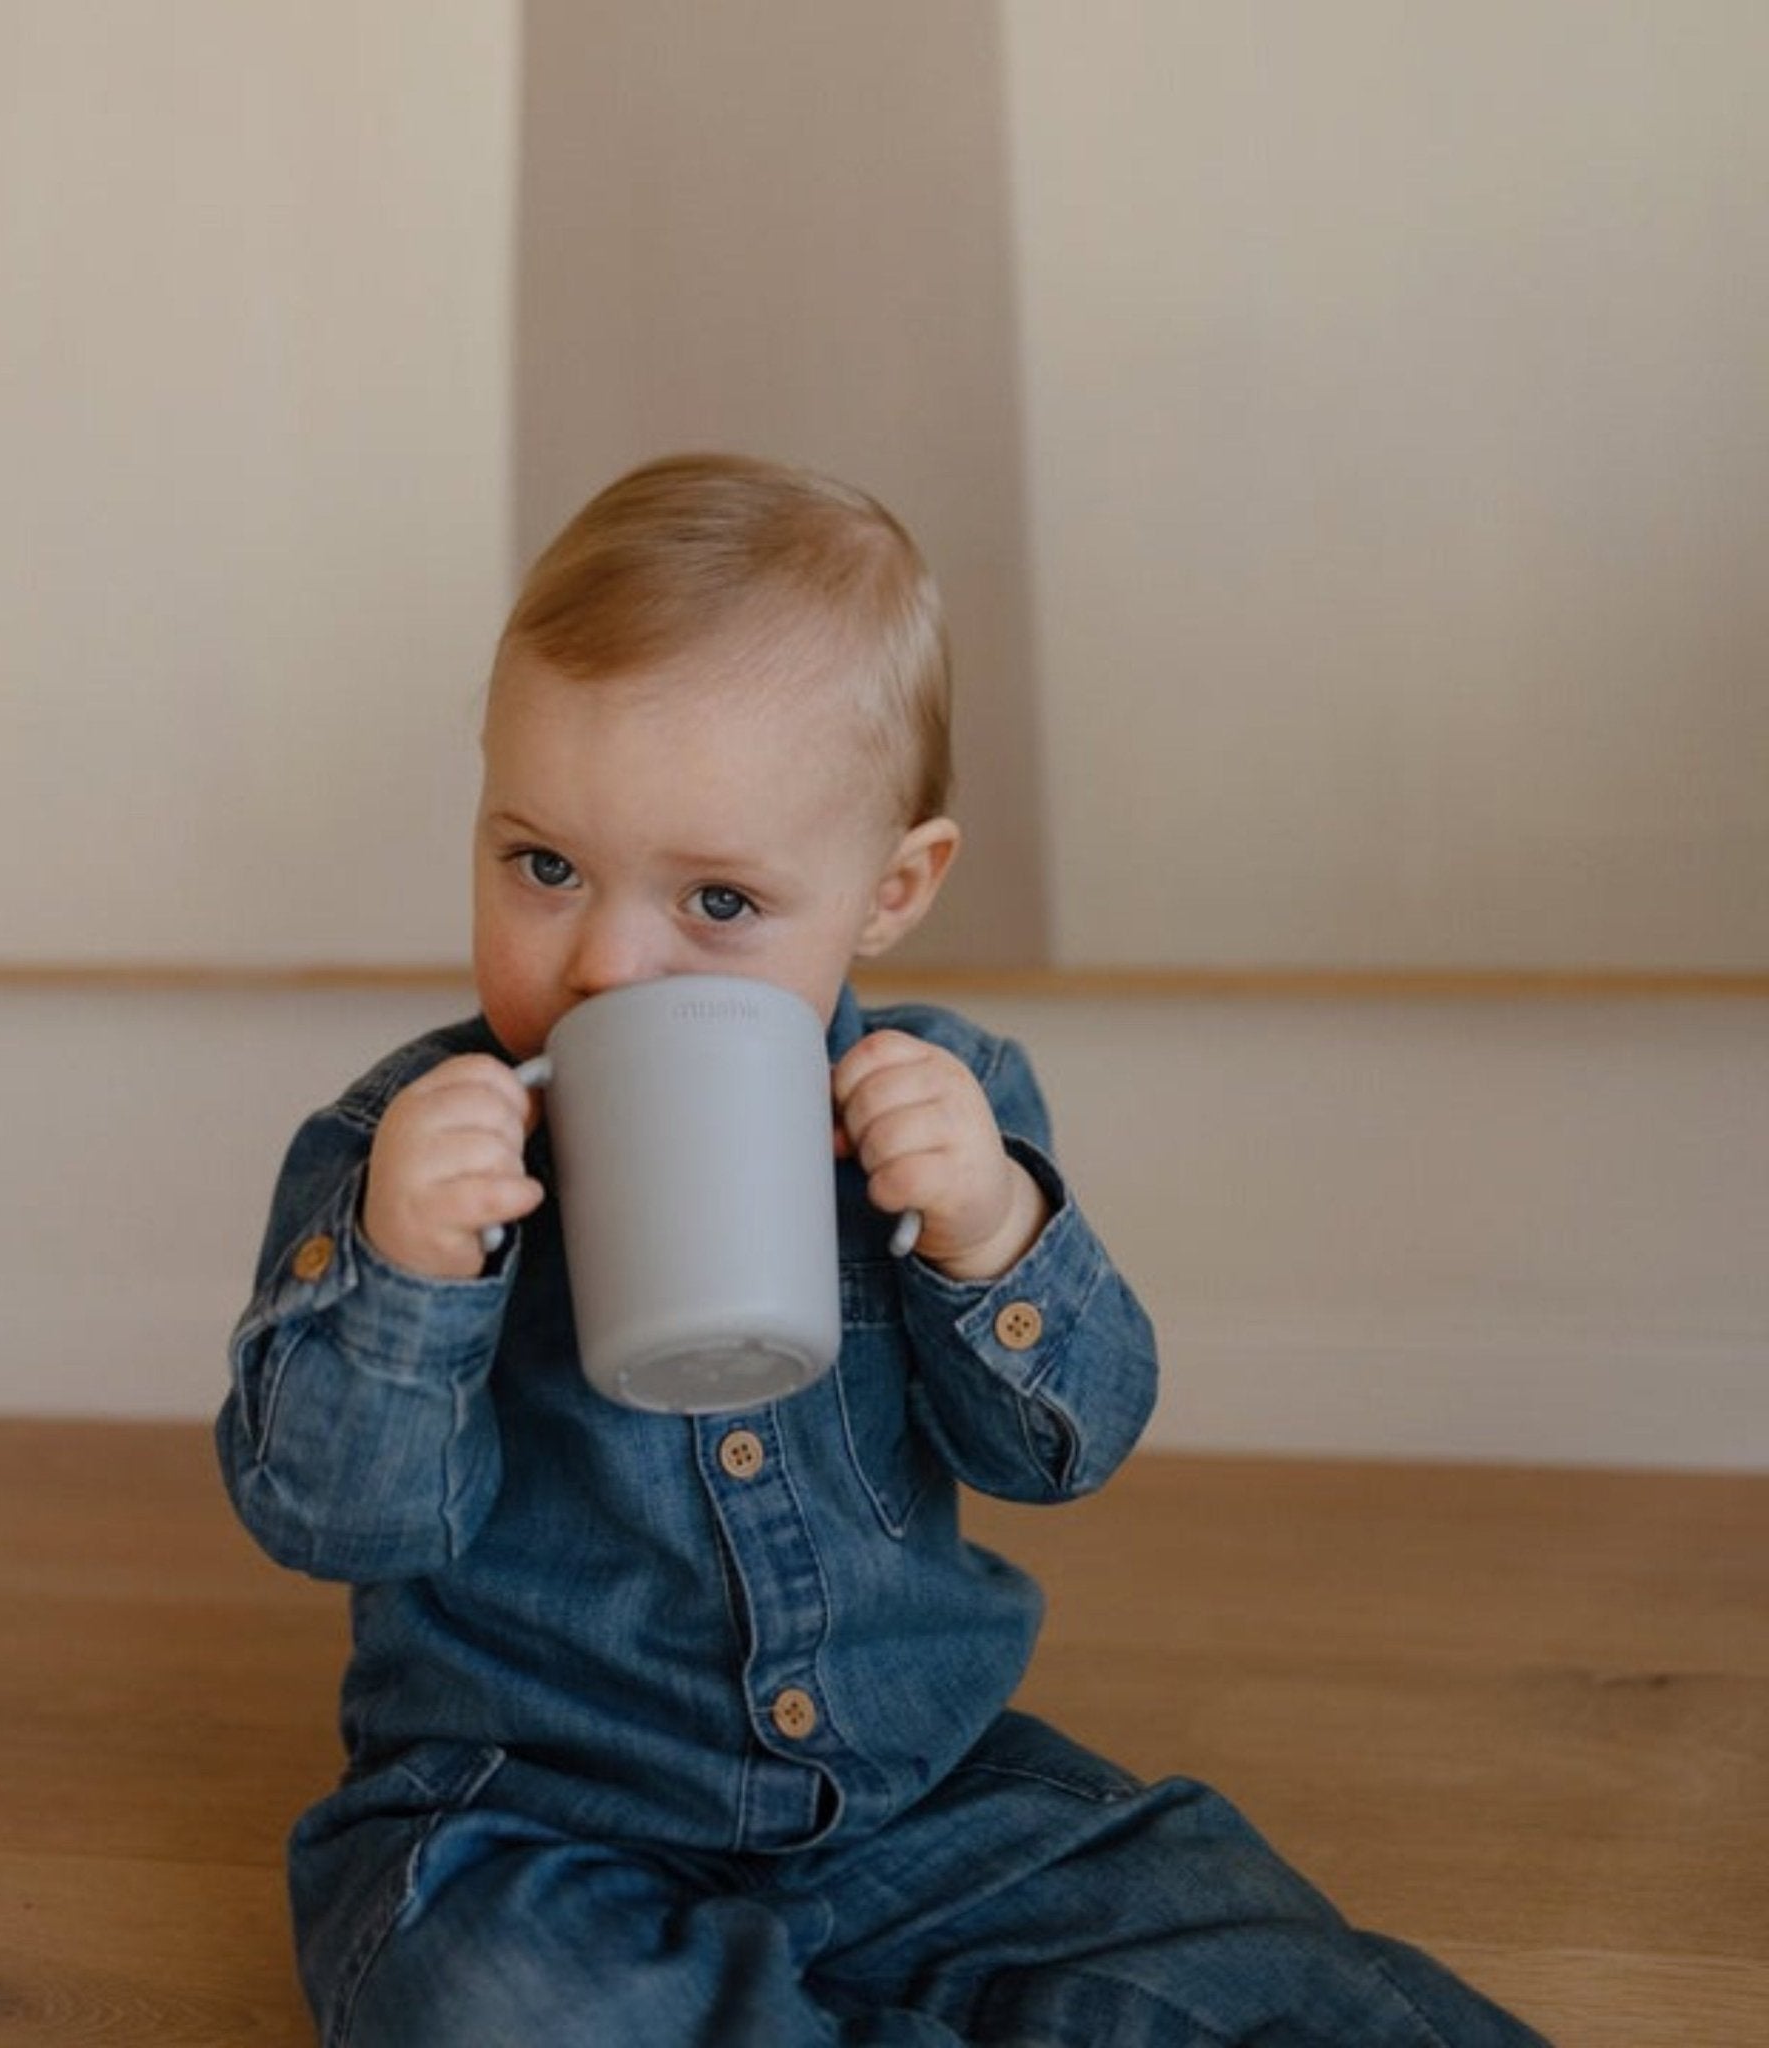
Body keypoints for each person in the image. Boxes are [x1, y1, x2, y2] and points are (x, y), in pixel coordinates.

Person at [218, 454, 1548, 2045]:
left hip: (919, 1787)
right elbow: (333, 1519)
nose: (608, 960)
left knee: (1254, 1971)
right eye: (543, 865)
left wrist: (991, 1229)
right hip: (533, 1817)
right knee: (497, 1998)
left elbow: (1071, 1447)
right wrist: (408, 1273)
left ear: (890, 890)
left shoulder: (945, 1108)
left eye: (717, 897)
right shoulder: (404, 1153)